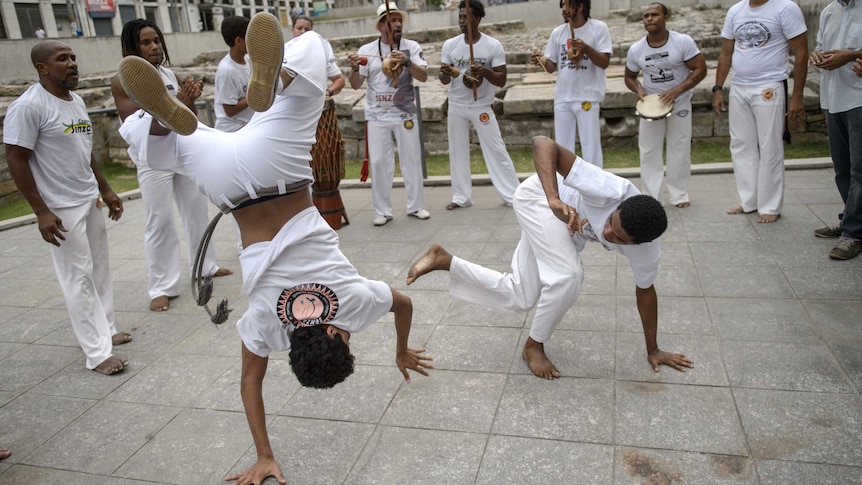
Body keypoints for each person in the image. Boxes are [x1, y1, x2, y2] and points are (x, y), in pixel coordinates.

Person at [115, 13, 433, 484]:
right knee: (178, 148)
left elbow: (403, 304)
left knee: (310, 70)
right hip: (228, 186)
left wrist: (400, 349)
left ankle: (277, 76)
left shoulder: (352, 301)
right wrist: (264, 456)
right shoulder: (270, 325)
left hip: (278, 166)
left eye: (344, 340)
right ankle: (161, 120)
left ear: (332, 335)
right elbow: (250, 383)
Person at [408, 135, 693, 380]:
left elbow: (646, 292)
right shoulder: (609, 190)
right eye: (610, 223)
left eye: (617, 238)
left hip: (565, 225)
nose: (607, 233)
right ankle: (534, 346)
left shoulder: (647, 252)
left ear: (639, 244)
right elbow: (543, 143)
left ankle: (445, 260)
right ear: (619, 207)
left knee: (521, 296)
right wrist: (554, 198)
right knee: (568, 275)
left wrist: (653, 349)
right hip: (539, 198)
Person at [4, 41, 131, 375]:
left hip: (88, 199)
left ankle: (106, 329)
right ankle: (97, 353)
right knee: (78, 278)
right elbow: (16, 157)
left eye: (73, 57)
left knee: (99, 269)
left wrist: (105, 188)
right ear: (42, 68)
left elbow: (84, 149)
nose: (72, 63)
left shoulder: (74, 100)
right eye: (63, 59)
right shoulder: (29, 106)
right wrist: (41, 211)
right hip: (59, 208)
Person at [110, 19, 232, 312]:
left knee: (196, 211)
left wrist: (188, 100)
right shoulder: (121, 80)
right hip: (152, 160)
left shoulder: (168, 74)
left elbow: (182, 119)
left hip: (180, 152)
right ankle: (162, 287)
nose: (154, 47)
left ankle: (206, 266)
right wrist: (176, 102)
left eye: (157, 41)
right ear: (131, 47)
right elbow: (135, 124)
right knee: (160, 220)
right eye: (146, 42)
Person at [712, 0, 808, 224]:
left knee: (770, 145)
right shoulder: (736, 10)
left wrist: (797, 96)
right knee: (741, 145)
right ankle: (749, 200)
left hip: (769, 85)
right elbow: (726, 52)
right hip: (739, 85)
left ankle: (770, 205)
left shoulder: (785, 8)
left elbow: (801, 52)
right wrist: (718, 88)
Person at [347, 1, 431, 226]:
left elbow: (423, 76)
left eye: (399, 20)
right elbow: (355, 85)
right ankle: (382, 211)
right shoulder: (367, 50)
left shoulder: (411, 46)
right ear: (381, 26)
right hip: (377, 116)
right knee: (378, 163)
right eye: (392, 20)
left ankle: (417, 206)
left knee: (411, 161)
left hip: (405, 114)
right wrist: (354, 68)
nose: (397, 24)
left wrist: (408, 61)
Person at [439, 0, 521, 210]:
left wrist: (484, 72)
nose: (462, 21)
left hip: (482, 106)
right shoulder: (450, 45)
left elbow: (501, 79)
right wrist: (445, 72)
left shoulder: (492, 45)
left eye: (466, 17)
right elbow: (443, 79)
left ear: (478, 18)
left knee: (496, 150)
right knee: (457, 152)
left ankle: (513, 196)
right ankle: (461, 197)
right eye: (460, 17)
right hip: (457, 105)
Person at [624, 2, 707, 209]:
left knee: (679, 148)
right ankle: (650, 197)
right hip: (651, 107)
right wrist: (640, 91)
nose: (649, 19)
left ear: (666, 18)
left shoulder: (682, 42)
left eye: (654, 15)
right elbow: (629, 76)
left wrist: (677, 90)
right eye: (646, 16)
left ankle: (679, 194)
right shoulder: (637, 49)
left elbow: (700, 70)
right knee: (649, 151)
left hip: (679, 103)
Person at [809, 0, 862, 260]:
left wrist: (852, 55)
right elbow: (820, 47)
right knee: (842, 167)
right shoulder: (829, 11)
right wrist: (817, 56)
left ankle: (853, 233)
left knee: (860, 170)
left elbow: (850, 54)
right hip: (833, 98)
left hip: (859, 98)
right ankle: (850, 218)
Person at [531, 0, 611, 168]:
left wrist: (586, 48)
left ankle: (595, 188)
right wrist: (541, 60)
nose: (563, 10)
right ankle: (566, 190)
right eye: (562, 6)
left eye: (567, 5)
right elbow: (552, 66)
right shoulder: (558, 33)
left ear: (580, 6)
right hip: (563, 97)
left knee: (591, 148)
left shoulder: (598, 28)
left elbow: (604, 62)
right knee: (563, 148)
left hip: (587, 96)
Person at [214, 16, 254, 132]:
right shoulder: (227, 71)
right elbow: (230, 111)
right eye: (249, 37)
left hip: (248, 126)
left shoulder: (248, 60)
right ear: (238, 41)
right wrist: (255, 95)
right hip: (234, 131)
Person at [291, 15, 345, 98]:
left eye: (307, 30)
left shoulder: (320, 54)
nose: (303, 32)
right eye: (299, 28)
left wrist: (328, 92)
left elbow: (339, 80)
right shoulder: (284, 52)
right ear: (292, 29)